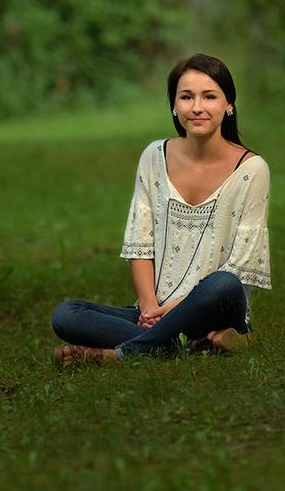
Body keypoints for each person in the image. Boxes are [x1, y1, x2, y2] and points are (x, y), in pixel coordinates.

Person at [51, 54, 271, 365]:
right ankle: (187, 345)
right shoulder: (154, 156)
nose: (196, 107)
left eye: (209, 96)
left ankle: (125, 354)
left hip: (217, 307)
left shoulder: (252, 169)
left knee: (224, 282)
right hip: (155, 311)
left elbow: (241, 266)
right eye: (186, 97)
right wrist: (148, 306)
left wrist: (173, 310)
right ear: (174, 105)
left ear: (229, 104)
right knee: (66, 315)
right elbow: (141, 242)